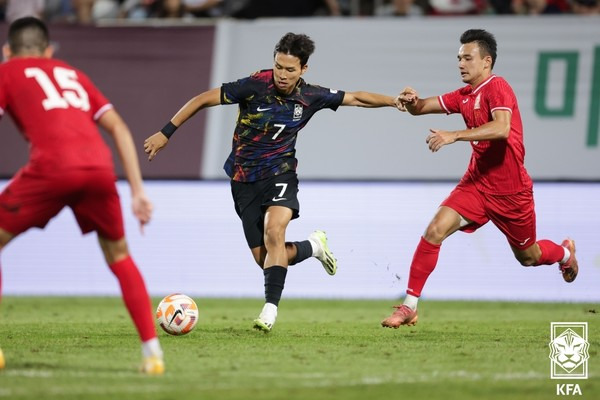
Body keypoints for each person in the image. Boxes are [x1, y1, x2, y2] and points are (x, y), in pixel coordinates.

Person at [144, 32, 397, 332]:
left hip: (280, 172)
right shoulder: (253, 86)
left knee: (274, 232)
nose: (282, 75)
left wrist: (395, 101)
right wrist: (165, 132)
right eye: (278, 66)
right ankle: (313, 246)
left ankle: (269, 310)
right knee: (265, 258)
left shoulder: (311, 95)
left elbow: (355, 97)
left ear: (303, 70)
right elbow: (201, 100)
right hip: (243, 179)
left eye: (290, 69)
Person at [381, 29, 578, 328]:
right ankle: (409, 306)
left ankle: (565, 253)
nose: (461, 63)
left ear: (486, 62)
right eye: (459, 58)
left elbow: (501, 129)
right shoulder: (464, 96)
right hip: (477, 184)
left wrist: (454, 135)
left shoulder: (498, 87)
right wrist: (409, 100)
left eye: (467, 58)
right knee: (435, 229)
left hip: (511, 192)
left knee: (528, 256)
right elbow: (419, 109)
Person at [0, 17, 164, 374]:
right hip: (99, 169)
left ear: (7, 51)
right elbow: (118, 126)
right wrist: (137, 191)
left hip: (52, 168)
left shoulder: (7, 72)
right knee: (119, 256)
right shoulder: (72, 74)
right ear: (48, 50)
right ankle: (153, 354)